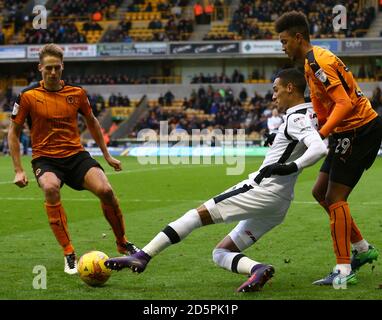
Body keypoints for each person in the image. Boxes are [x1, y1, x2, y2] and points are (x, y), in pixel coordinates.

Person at [105, 68, 328, 292]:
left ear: (290, 88)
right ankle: (258, 269)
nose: (273, 96)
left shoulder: (296, 118)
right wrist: (280, 139)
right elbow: (314, 139)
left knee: (195, 216)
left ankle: (143, 256)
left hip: (261, 190)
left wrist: (291, 165)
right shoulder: (310, 113)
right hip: (280, 202)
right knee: (220, 253)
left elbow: (318, 148)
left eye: (276, 89)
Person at [8, 43, 138, 275]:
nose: (53, 72)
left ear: (62, 67)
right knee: (50, 187)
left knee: (106, 191)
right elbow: (13, 133)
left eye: (57, 68)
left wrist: (107, 155)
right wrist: (18, 169)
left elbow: (93, 122)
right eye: (48, 68)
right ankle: (69, 252)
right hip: (46, 158)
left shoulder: (77, 94)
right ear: (40, 68)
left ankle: (122, 242)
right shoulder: (27, 97)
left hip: (76, 156)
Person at [275, 11, 382, 286]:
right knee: (320, 192)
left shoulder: (318, 61)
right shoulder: (311, 65)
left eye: (285, 41)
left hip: (359, 130)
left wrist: (319, 135)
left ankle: (344, 271)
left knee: (335, 197)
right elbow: (327, 107)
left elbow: (345, 104)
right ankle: (362, 248)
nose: (283, 47)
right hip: (344, 132)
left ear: (299, 38)